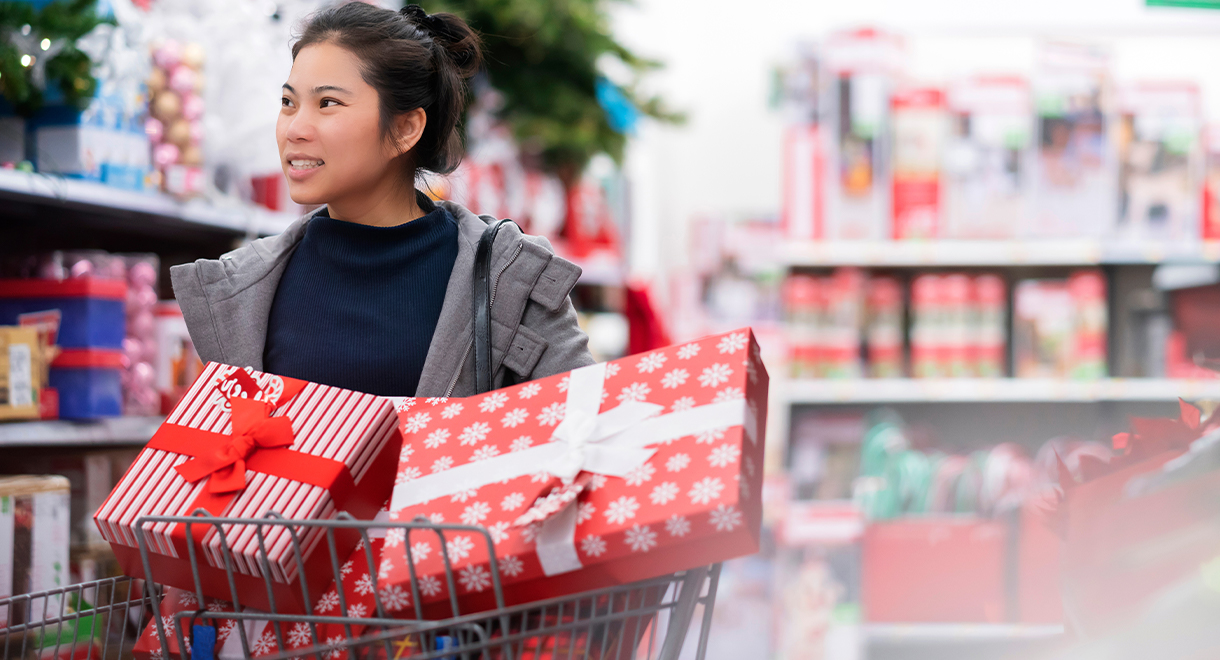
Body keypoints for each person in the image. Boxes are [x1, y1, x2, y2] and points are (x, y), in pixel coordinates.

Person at [170, 3, 593, 398]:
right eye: (288, 103)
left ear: (406, 129)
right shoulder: (245, 286)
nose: (294, 128)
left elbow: (585, 428)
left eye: (328, 103)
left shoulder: (510, 276)